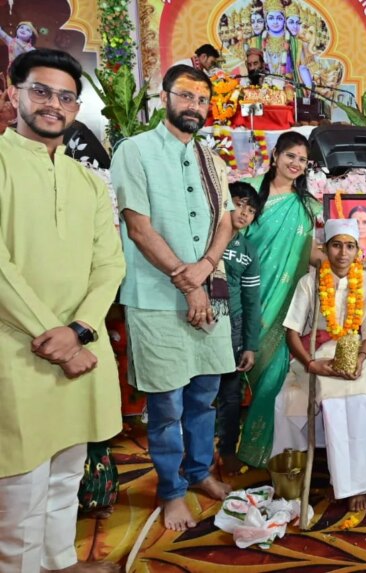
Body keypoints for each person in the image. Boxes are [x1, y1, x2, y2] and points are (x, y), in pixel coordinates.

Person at [0, 48, 125, 573]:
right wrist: (56, 335)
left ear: (76, 108)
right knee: (21, 491)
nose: (53, 104)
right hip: (17, 352)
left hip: (81, 348)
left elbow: (110, 264)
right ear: (13, 92)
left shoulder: (89, 181)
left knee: (66, 476)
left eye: (66, 97)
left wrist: (79, 330)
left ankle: (59, 563)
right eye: (41, 91)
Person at [111, 64, 236, 532]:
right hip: (157, 299)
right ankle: (171, 491)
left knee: (204, 398)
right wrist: (189, 283)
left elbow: (226, 222)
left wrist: (205, 268)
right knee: (166, 407)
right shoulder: (135, 150)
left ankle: (199, 471)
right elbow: (139, 228)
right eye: (185, 96)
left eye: (202, 99)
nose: (194, 106)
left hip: (210, 295)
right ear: (164, 97)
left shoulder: (212, 160)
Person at [272, 218, 366, 511]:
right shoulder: (310, 282)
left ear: (357, 251)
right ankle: (298, 473)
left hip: (358, 351)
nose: (343, 253)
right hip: (316, 353)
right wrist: (311, 364)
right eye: (336, 245)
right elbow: (291, 332)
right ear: (325, 248)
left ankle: (360, 482)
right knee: (332, 400)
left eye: (350, 246)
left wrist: (360, 359)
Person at [237, 131, 322, 468]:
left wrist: (341, 259)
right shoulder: (248, 191)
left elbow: (309, 252)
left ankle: (262, 451)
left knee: (273, 376)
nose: (295, 164)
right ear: (275, 155)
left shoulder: (306, 206)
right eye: (290, 156)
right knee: (234, 375)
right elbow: (230, 235)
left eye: (302, 160)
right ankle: (225, 447)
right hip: (245, 292)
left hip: (284, 299)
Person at [216, 182, 263, 475]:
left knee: (231, 394)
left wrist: (250, 345)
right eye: (239, 204)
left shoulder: (248, 251)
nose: (244, 213)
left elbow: (251, 300)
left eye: (251, 209)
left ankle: (227, 450)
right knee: (196, 393)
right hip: (200, 321)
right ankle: (193, 455)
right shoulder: (203, 237)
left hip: (232, 327)